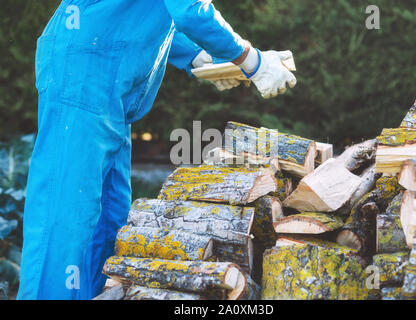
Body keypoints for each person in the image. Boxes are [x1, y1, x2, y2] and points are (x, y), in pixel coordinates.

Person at [17, 0, 296, 300]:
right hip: (83, 78)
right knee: (66, 215)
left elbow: (156, 10)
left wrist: (197, 56)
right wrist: (251, 60)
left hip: (110, 88)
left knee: (108, 220)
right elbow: (189, 10)